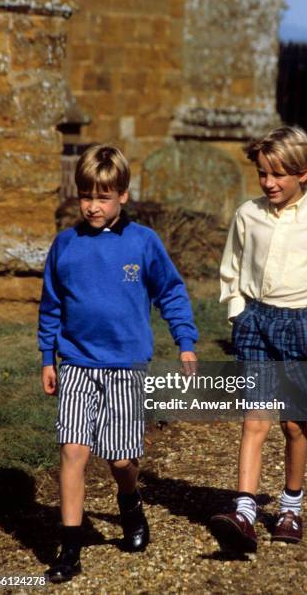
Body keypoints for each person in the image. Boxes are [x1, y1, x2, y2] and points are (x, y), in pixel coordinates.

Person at [38, 144, 198, 582]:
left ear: (123, 196)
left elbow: (171, 292)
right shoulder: (65, 245)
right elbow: (51, 306)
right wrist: (47, 357)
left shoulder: (143, 243)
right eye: (86, 195)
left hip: (125, 366)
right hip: (75, 363)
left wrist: (185, 341)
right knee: (73, 451)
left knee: (121, 460)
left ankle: (130, 503)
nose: (92, 205)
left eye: (102, 197)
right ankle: (68, 550)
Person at [210, 126, 307, 552]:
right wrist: (238, 312)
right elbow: (232, 268)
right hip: (255, 324)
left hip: (300, 326)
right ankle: (243, 514)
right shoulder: (248, 215)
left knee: (293, 423)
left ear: (305, 173)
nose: (268, 183)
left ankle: (290, 507)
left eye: (278, 175)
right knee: (255, 419)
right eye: (262, 173)